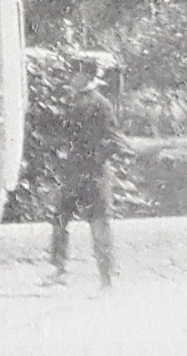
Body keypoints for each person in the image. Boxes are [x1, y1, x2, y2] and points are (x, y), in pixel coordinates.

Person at [45, 67, 129, 289]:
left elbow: (115, 141)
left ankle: (106, 278)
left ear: (87, 78)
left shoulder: (101, 105)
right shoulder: (74, 104)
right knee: (60, 219)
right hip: (73, 174)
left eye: (77, 75)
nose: (73, 78)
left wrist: (95, 158)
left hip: (94, 175)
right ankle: (59, 269)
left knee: (99, 225)